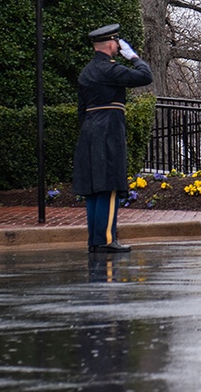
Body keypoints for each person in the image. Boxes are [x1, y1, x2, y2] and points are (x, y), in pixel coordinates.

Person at [73, 24, 153, 254]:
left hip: (90, 130)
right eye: (117, 44)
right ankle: (107, 238)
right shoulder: (109, 69)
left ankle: (95, 240)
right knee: (108, 186)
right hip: (109, 130)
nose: (119, 47)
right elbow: (145, 76)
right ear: (110, 44)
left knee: (94, 189)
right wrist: (134, 57)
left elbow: (81, 110)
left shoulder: (87, 71)